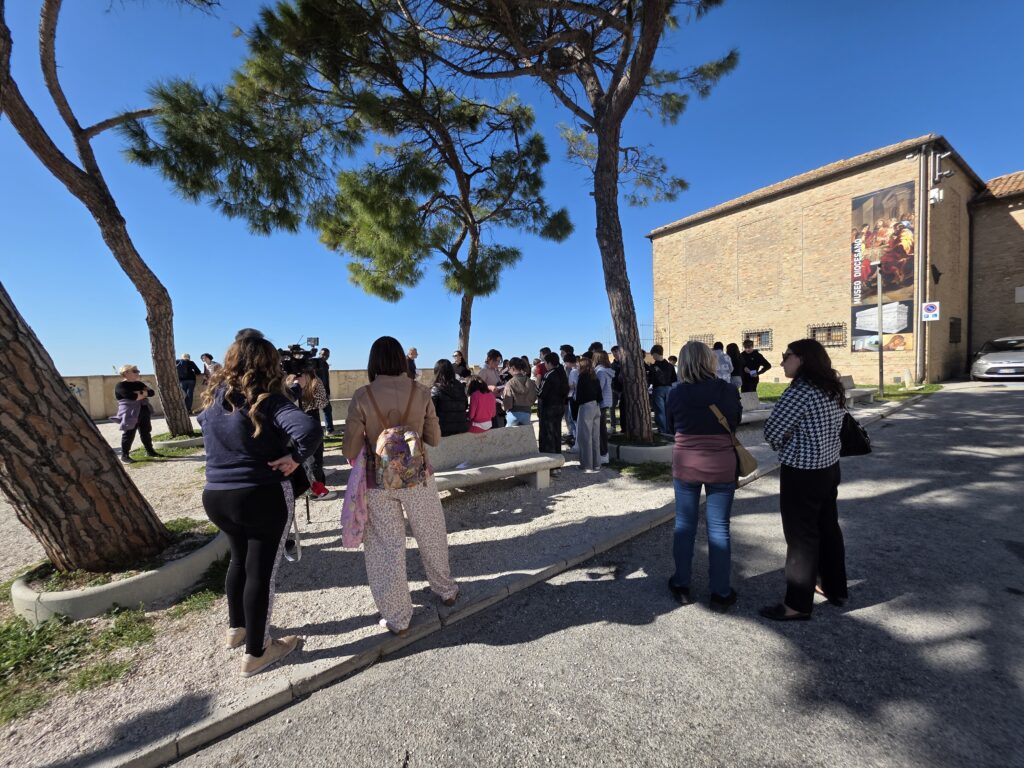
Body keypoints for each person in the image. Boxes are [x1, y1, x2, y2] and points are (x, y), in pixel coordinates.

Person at [198, 333, 322, 676]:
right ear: (270, 364)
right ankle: (257, 651)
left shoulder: (214, 399)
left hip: (216, 495)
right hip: (260, 494)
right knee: (261, 573)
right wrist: (294, 458)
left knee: (238, 560)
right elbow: (309, 429)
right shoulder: (268, 400)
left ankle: (236, 628)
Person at [343, 336, 459, 636]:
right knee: (432, 533)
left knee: (386, 548)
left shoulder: (362, 395)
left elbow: (349, 448)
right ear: (400, 360)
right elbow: (434, 438)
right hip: (418, 476)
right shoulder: (421, 392)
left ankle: (398, 618)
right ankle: (446, 590)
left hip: (378, 481)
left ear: (373, 362)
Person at [760, 339, 848, 621]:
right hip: (829, 467)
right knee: (828, 527)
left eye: (787, 356)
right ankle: (834, 587)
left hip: (802, 472)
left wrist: (788, 440)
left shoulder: (800, 391)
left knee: (801, 538)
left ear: (803, 359)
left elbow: (772, 431)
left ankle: (797, 604)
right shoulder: (832, 387)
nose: (782, 361)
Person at [666, 341, 742, 613]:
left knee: (684, 525)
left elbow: (670, 425)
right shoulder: (728, 390)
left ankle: (681, 584)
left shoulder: (676, 393)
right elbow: (735, 421)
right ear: (710, 361)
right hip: (721, 463)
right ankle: (720, 591)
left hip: (686, 462)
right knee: (719, 527)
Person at [287, 366, 331, 498]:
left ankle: (305, 487)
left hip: (292, 419)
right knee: (315, 456)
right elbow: (322, 402)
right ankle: (318, 490)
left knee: (301, 455)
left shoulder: (290, 380)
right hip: (311, 417)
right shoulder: (315, 381)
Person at [114, 364, 161, 463]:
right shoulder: (121, 385)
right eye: (135, 371)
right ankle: (125, 456)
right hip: (129, 412)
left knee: (146, 431)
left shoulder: (139, 383)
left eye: (138, 371)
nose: (138, 373)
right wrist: (143, 393)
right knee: (129, 433)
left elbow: (152, 393)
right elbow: (132, 397)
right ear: (126, 373)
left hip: (143, 410)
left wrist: (139, 394)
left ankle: (150, 451)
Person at [537, 352, 569, 462]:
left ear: (549, 363)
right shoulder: (562, 373)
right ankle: (558, 458)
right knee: (556, 433)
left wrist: (535, 389)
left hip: (549, 408)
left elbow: (541, 393)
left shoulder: (549, 374)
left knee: (548, 434)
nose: (545, 365)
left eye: (545, 363)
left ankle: (550, 461)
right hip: (559, 406)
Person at [573, 357, 603, 472]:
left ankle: (587, 465)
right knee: (595, 436)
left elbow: (579, 396)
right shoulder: (594, 376)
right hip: (596, 405)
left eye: (578, 365)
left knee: (585, 436)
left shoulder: (582, 377)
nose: (577, 367)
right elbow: (599, 394)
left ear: (582, 366)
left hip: (585, 406)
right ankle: (596, 463)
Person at [431, 359, 469, 436]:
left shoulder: (436, 388)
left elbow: (431, 411)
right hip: (461, 428)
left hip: (443, 430)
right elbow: (465, 405)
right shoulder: (460, 386)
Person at [647, 344, 677, 434]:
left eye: (653, 355)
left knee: (660, 412)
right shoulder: (670, 366)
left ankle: (663, 431)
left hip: (658, 389)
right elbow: (674, 379)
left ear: (655, 354)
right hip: (669, 390)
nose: (653, 357)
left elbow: (650, 380)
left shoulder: (653, 367)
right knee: (669, 411)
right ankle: (670, 431)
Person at [502, 358, 537, 427]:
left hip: (513, 414)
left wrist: (503, 406)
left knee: (510, 433)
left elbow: (507, 402)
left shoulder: (510, 383)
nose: (509, 370)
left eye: (509, 368)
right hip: (527, 413)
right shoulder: (530, 382)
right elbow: (534, 397)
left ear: (513, 368)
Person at [593, 351, 614, 463]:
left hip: (601, 402)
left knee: (601, 429)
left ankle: (603, 454)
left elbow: (598, 388)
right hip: (605, 401)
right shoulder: (606, 370)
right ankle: (603, 453)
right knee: (602, 428)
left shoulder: (600, 371)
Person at [316, 348, 334, 434]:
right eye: (323, 354)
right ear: (319, 354)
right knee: (315, 411)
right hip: (315, 391)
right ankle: (318, 431)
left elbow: (326, 379)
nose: (325, 356)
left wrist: (328, 392)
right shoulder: (315, 363)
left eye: (327, 355)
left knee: (327, 410)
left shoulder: (325, 364)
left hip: (324, 391)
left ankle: (329, 430)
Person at [563, 353, 579, 445]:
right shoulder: (578, 369)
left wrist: (566, 386)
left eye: (565, 362)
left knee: (573, 419)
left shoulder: (573, 371)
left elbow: (573, 385)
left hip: (573, 396)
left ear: (568, 362)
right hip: (576, 396)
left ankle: (576, 439)